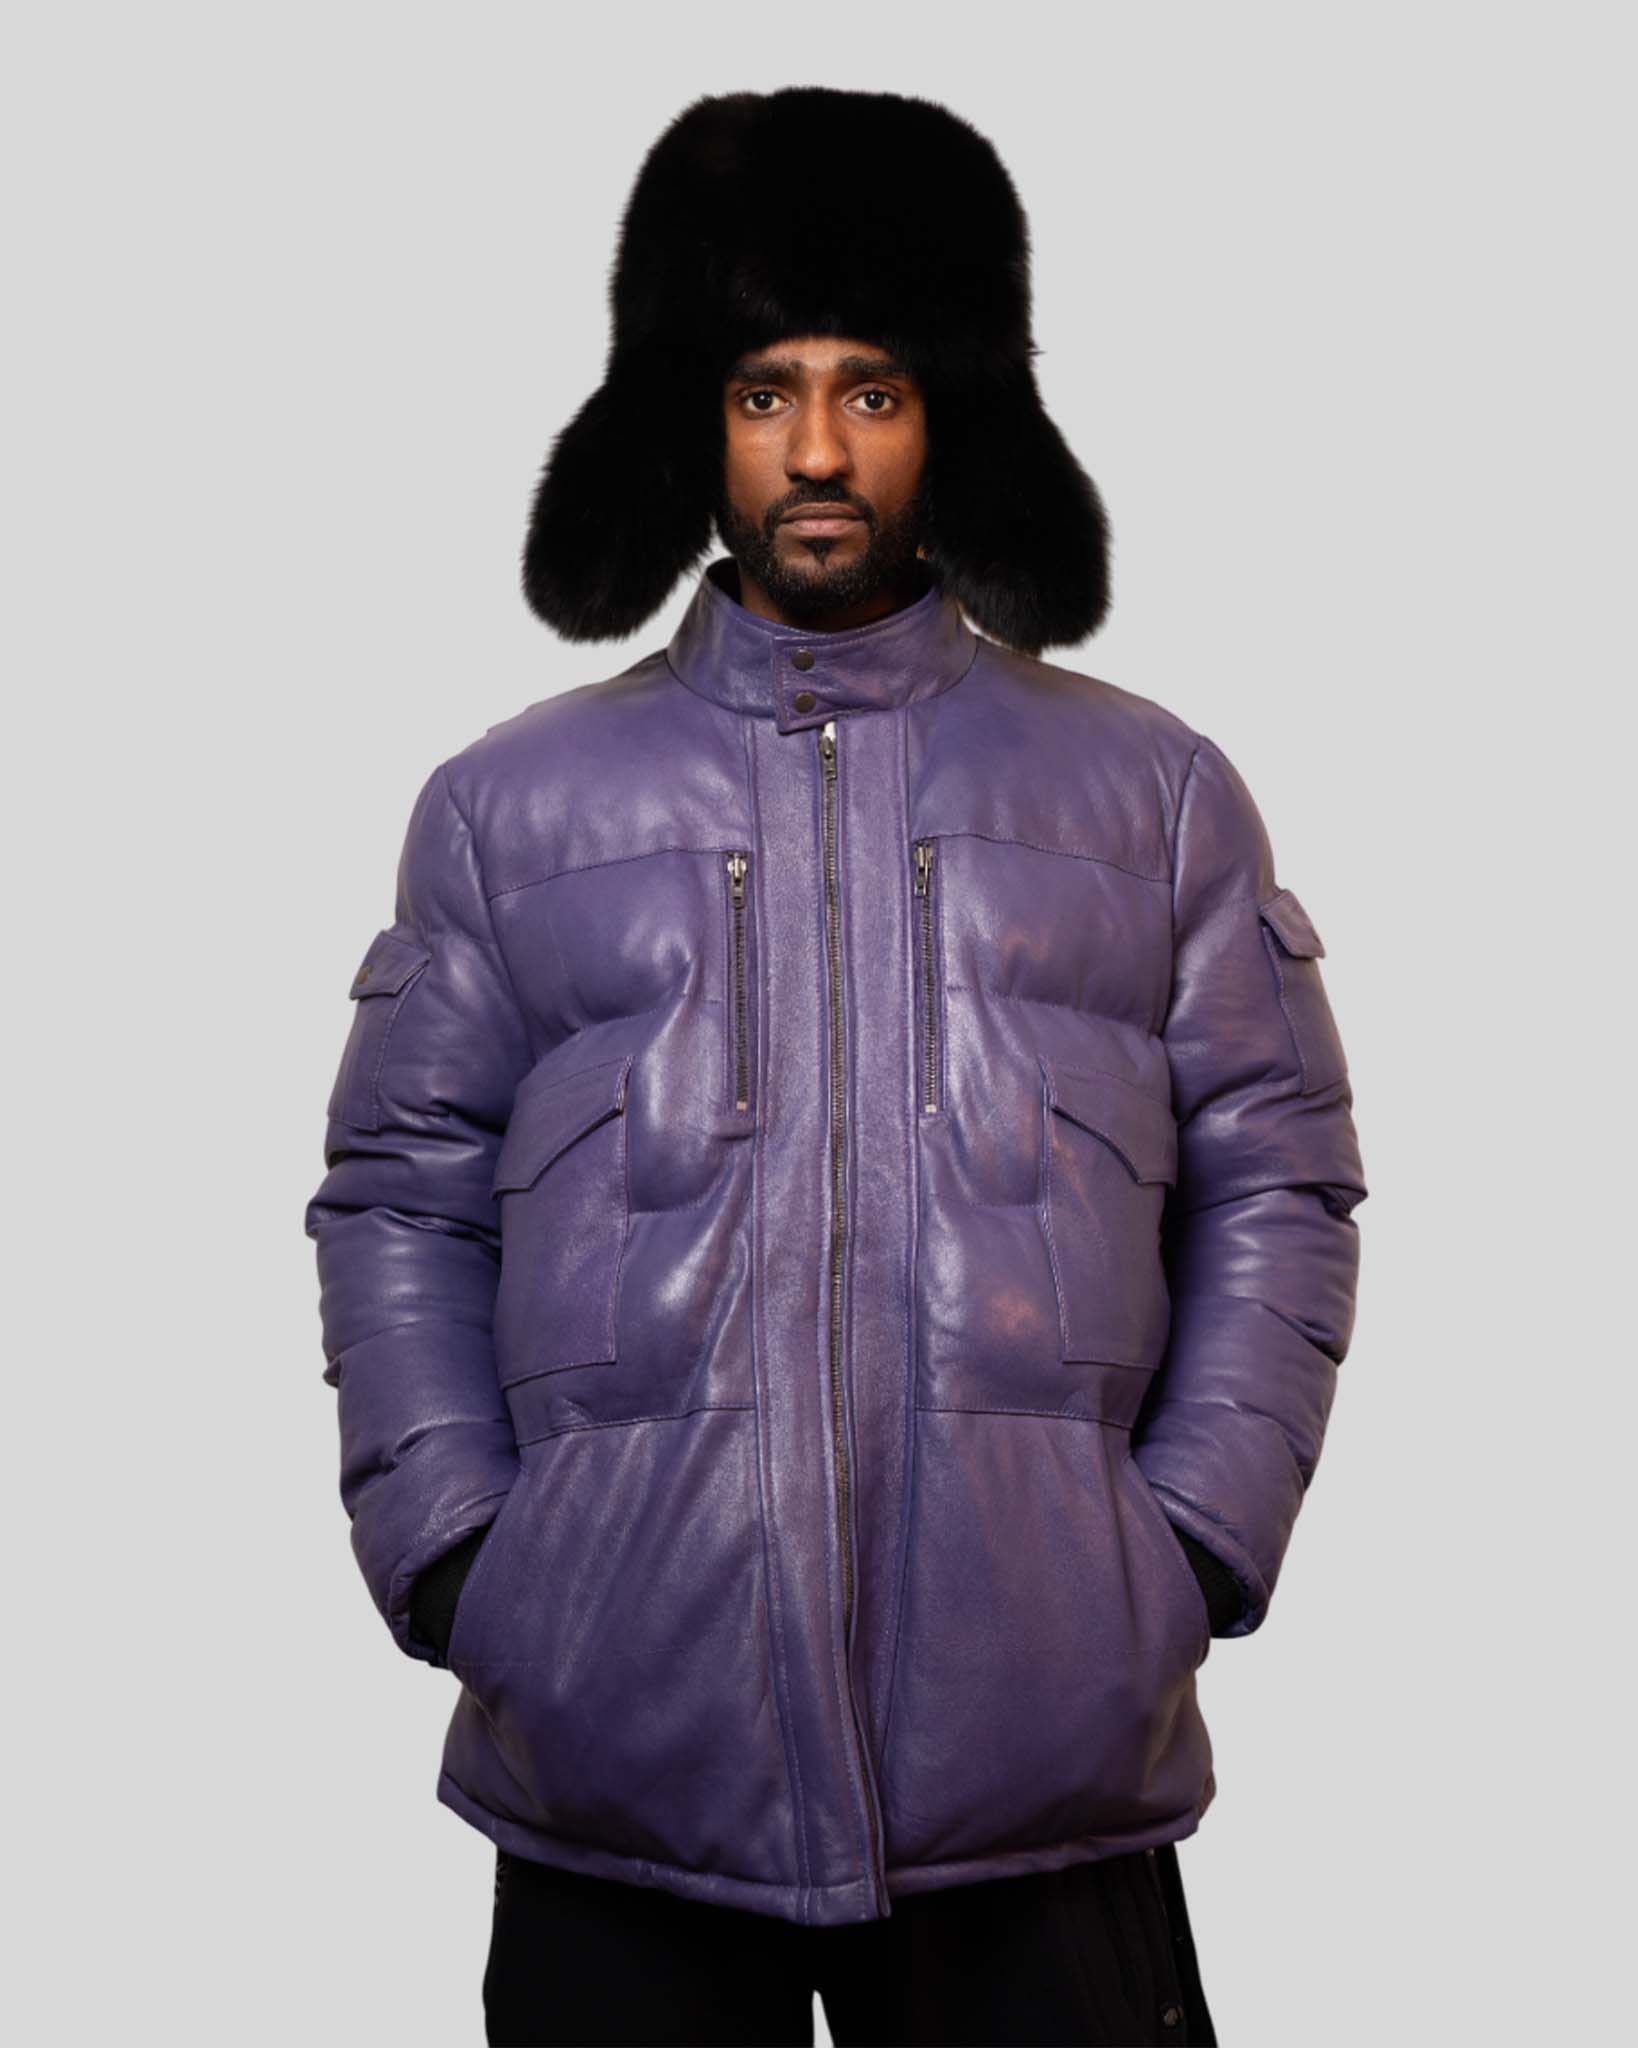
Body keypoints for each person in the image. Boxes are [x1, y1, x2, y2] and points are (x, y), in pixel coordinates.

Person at [304, 86, 1368, 2047]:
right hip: (619, 1771)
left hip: (1036, 1783)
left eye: (871, 390)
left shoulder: (1149, 794)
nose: (815, 449)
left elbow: (1275, 1178)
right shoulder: (508, 808)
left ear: (953, 416)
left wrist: (1186, 1543)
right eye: (762, 390)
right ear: (686, 425)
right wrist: (461, 1556)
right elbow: (401, 1196)